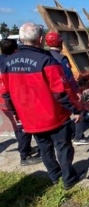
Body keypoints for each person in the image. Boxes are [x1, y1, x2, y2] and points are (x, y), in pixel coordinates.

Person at [0, 23, 84, 189]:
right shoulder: (47, 60)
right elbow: (61, 92)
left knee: (44, 149)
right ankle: (69, 179)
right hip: (54, 117)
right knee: (63, 147)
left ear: (21, 39)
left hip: (29, 119)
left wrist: (17, 113)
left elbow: (5, 93)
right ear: (40, 39)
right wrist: (76, 109)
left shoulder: (7, 63)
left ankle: (54, 176)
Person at [45, 32, 89, 146]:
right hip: (64, 90)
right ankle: (79, 137)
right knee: (79, 110)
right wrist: (76, 92)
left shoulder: (45, 56)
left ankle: (70, 133)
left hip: (52, 92)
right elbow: (69, 78)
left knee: (63, 113)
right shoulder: (62, 58)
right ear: (60, 43)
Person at [0, 38, 42, 166]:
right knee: (23, 128)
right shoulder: (12, 63)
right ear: (16, 49)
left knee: (19, 126)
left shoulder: (3, 60)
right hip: (11, 101)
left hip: (5, 101)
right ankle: (24, 156)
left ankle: (26, 149)